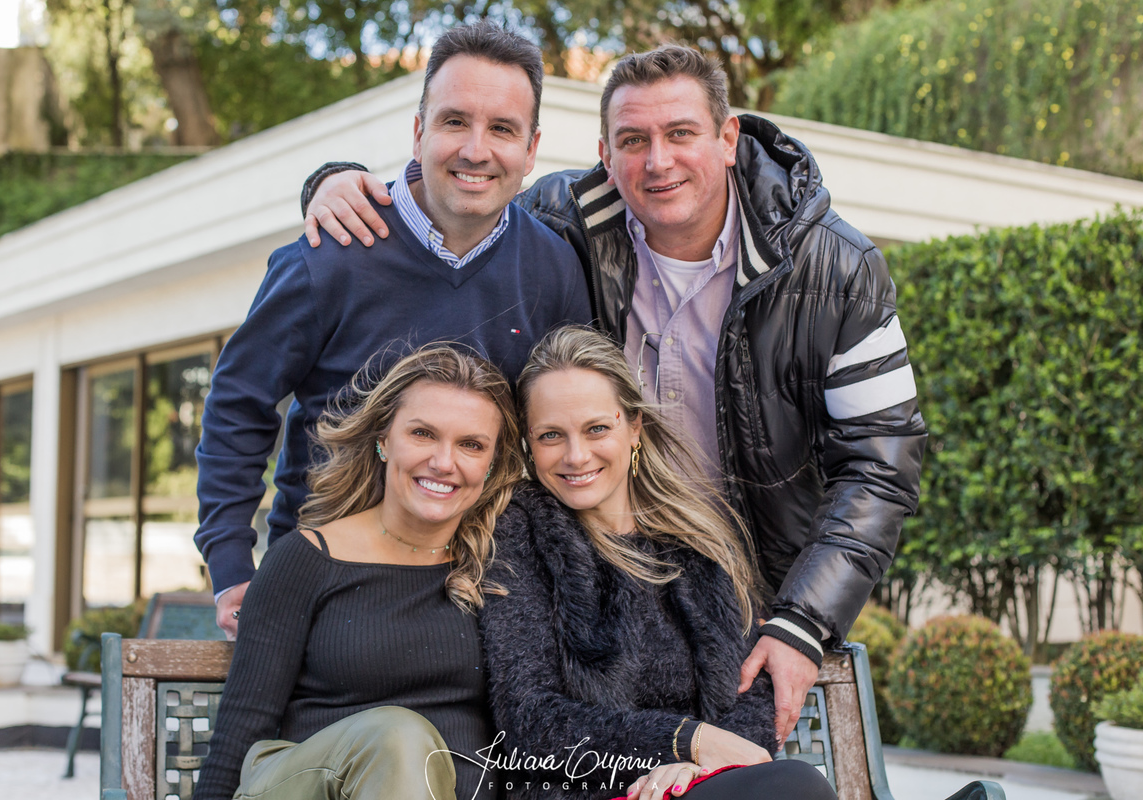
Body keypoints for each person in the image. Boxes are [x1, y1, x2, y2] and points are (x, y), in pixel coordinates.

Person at [301, 44, 927, 740]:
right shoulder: (563, 223)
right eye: (633, 140)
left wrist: (803, 620)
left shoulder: (837, 269)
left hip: (751, 599)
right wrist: (337, 183)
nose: (658, 161)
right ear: (604, 152)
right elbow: (459, 200)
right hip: (590, 602)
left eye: (680, 133)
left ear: (728, 137)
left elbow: (882, 462)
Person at [195, 20, 591, 638]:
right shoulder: (331, 250)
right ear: (418, 131)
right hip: (322, 592)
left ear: (532, 148)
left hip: (480, 599)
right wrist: (229, 568)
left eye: (502, 129)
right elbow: (238, 404)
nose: (476, 150)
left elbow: (567, 433)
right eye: (455, 121)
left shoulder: (554, 268)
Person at [477, 325, 836, 800]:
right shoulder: (517, 534)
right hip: (589, 791)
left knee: (794, 786)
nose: (576, 455)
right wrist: (683, 741)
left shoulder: (695, 538)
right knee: (798, 786)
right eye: (550, 435)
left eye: (596, 428)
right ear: (528, 443)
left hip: (698, 786)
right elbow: (531, 719)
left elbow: (750, 693)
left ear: (634, 428)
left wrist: (696, 766)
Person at [192, 345, 522, 800]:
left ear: (492, 464)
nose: (444, 462)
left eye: (471, 445)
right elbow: (240, 732)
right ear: (383, 439)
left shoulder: (501, 570)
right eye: (423, 434)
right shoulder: (306, 560)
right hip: (309, 788)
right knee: (398, 737)